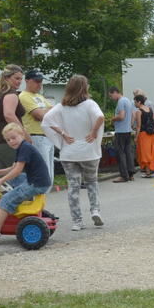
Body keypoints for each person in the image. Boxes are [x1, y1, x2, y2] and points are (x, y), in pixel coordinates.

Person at [42, 75, 104, 231]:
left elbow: (47, 120)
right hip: (89, 151)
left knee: (73, 186)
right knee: (91, 182)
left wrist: (62, 133)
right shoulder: (90, 104)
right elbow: (100, 117)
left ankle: (77, 221)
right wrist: (94, 132)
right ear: (84, 88)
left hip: (69, 153)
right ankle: (95, 210)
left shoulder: (61, 106)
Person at [0, 123, 52, 241]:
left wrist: (2, 180)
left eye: (14, 138)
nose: (11, 141)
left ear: (22, 135)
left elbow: (17, 170)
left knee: (5, 200)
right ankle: (13, 193)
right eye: (8, 140)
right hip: (39, 180)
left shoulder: (25, 148)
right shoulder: (22, 147)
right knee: (14, 179)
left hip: (37, 184)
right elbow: (14, 167)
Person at [19, 69, 54, 190]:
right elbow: (40, 115)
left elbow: (54, 113)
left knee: (49, 174)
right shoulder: (24, 96)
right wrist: (47, 112)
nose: (39, 84)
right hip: (36, 136)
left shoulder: (39, 96)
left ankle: (43, 202)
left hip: (47, 136)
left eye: (41, 81)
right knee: (42, 174)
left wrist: (47, 113)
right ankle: (37, 202)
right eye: (36, 81)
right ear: (27, 81)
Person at [0, 65, 26, 169]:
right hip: (8, 142)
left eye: (21, 79)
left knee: (4, 178)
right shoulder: (11, 94)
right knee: (19, 175)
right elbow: (9, 115)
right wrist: (24, 135)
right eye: (16, 78)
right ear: (7, 78)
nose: (19, 81)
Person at [108, 86, 136, 183]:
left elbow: (121, 116)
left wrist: (112, 119)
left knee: (120, 154)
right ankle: (131, 173)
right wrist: (130, 125)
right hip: (128, 130)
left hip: (120, 131)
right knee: (128, 153)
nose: (111, 98)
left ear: (115, 92)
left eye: (111, 96)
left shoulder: (120, 102)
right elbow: (133, 115)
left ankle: (124, 176)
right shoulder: (128, 100)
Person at [132, 94, 154, 177]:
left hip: (144, 134)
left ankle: (148, 172)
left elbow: (138, 126)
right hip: (152, 133)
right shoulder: (149, 109)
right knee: (153, 152)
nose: (134, 104)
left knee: (145, 153)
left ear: (139, 102)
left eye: (135, 102)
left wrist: (136, 137)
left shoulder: (138, 111)